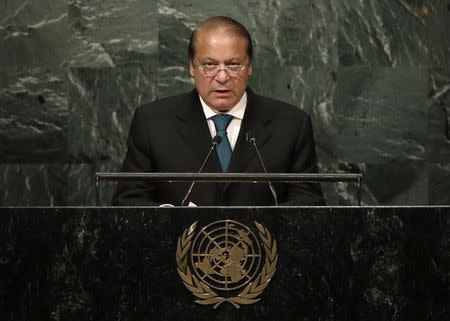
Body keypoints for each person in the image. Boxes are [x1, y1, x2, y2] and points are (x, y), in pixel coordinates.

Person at [112, 16, 325, 206]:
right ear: (191, 67)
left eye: (233, 64)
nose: (222, 77)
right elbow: (128, 199)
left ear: (249, 66)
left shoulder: (291, 125)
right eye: (209, 65)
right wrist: (166, 220)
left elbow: (309, 202)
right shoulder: (153, 122)